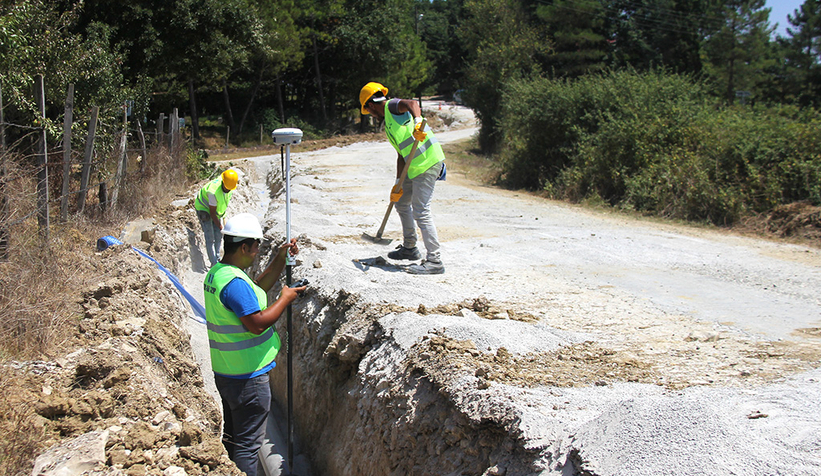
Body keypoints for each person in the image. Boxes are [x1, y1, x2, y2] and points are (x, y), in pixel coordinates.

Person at [203, 212, 306, 476]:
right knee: (248, 447)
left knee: (234, 436)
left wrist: (280, 259)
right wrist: (285, 298)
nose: (257, 251)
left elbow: (257, 288)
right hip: (248, 378)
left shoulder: (220, 273)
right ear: (244, 246)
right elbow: (258, 322)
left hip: (228, 373)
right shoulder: (235, 283)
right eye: (256, 246)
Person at [359, 81, 446, 274]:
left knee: (421, 210)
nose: (371, 116)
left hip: (427, 162)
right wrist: (398, 183)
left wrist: (417, 121)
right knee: (401, 202)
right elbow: (401, 155)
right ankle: (410, 248)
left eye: (369, 112)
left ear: (371, 105)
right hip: (412, 167)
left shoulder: (391, 107)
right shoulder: (390, 124)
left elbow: (413, 103)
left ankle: (435, 261)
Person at [195, 169, 239, 268]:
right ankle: (214, 263)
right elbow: (212, 213)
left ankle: (218, 258)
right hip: (204, 208)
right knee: (210, 237)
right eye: (227, 188)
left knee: (218, 236)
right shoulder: (213, 192)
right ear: (223, 183)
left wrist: (223, 219)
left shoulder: (229, 186)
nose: (228, 190)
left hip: (215, 211)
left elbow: (223, 205)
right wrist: (220, 227)